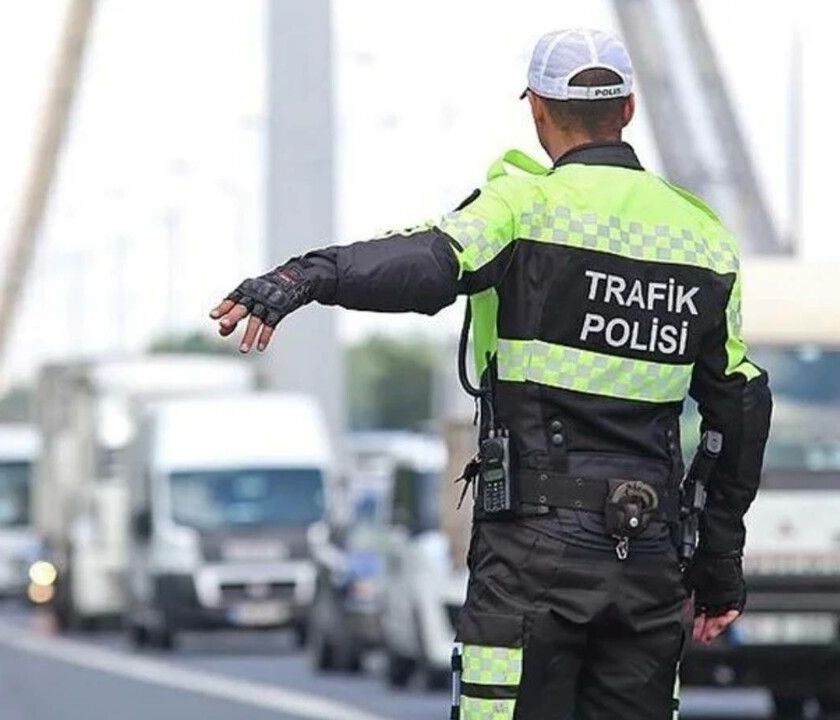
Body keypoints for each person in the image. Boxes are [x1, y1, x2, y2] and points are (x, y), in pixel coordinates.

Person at [210, 28, 771, 720]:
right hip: (648, 556)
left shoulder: (521, 207)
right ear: (628, 110)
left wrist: (305, 277)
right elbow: (740, 408)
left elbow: (424, 264)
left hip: (533, 556)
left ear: (537, 108)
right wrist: (718, 565)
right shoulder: (703, 239)